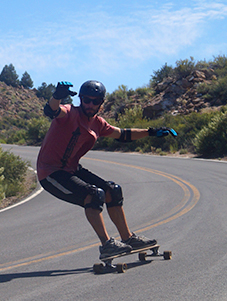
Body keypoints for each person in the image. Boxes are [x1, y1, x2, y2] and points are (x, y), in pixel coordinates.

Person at [36, 80, 177, 259]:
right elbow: (51, 110)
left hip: (72, 169)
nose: (90, 104)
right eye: (86, 100)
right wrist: (56, 96)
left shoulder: (98, 124)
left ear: (101, 104)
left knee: (112, 191)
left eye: (95, 101)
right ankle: (107, 244)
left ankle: (128, 238)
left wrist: (151, 132)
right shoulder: (69, 113)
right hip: (51, 172)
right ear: (80, 99)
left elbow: (123, 134)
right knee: (93, 195)